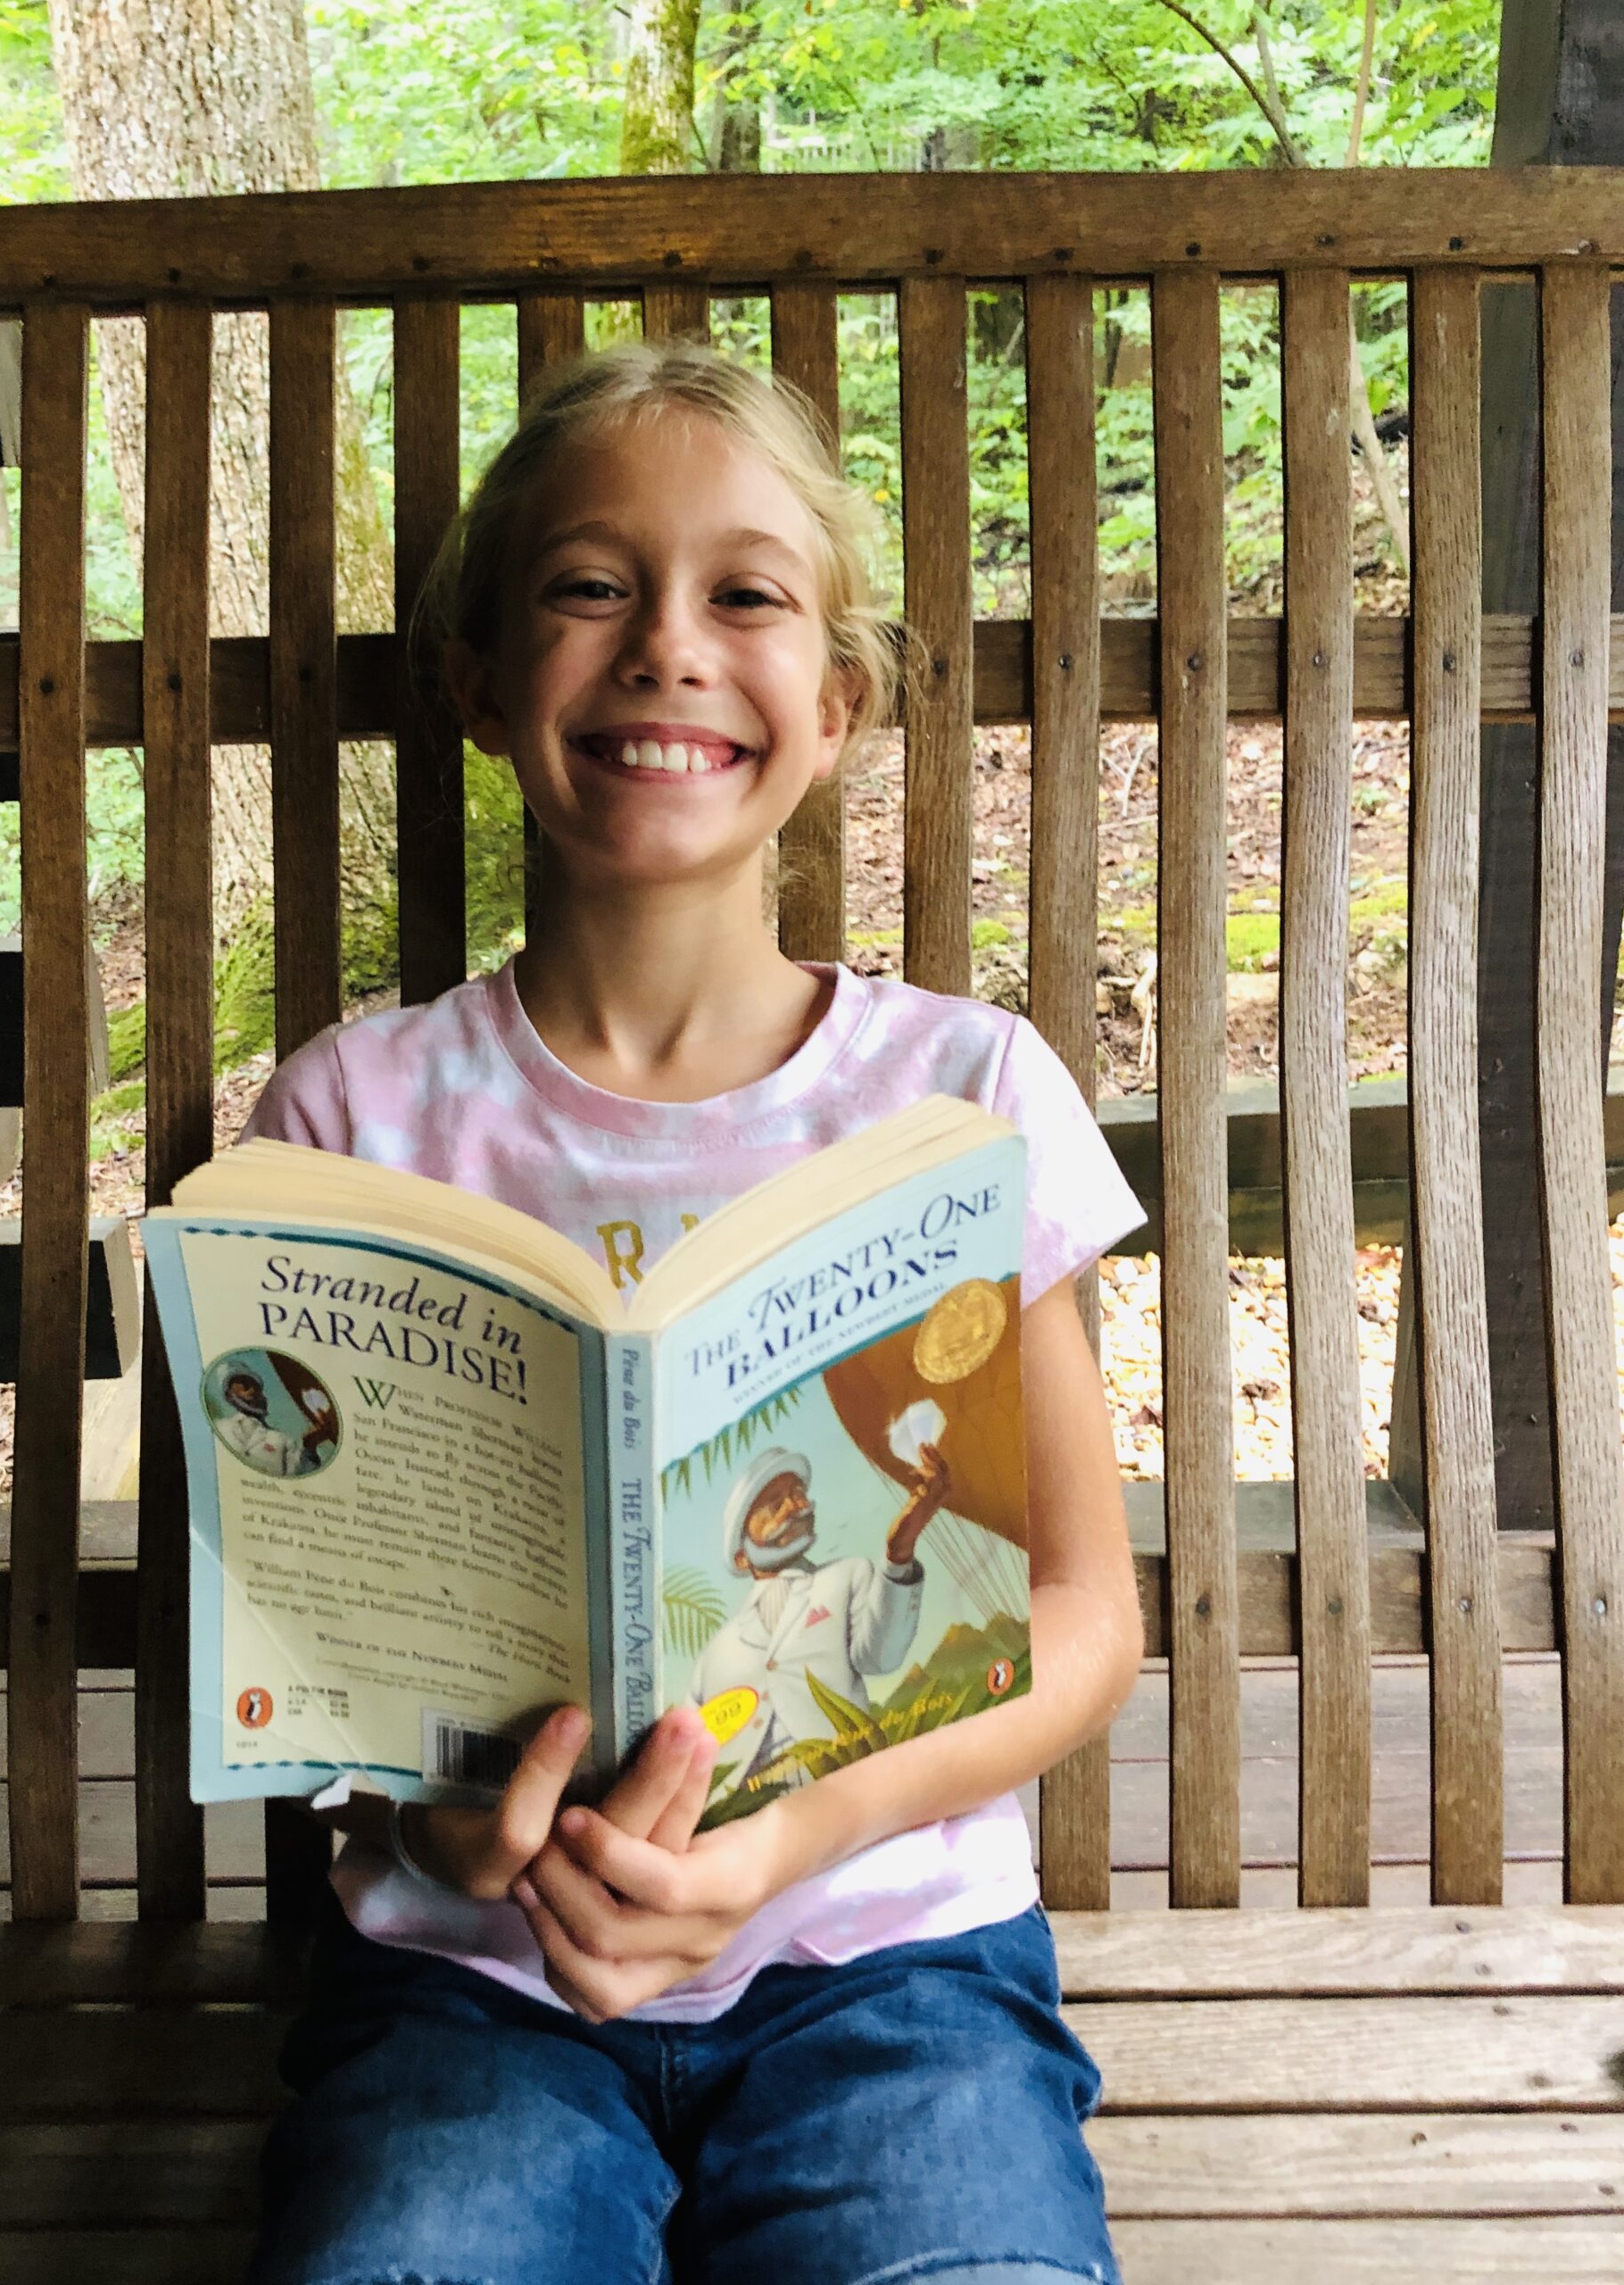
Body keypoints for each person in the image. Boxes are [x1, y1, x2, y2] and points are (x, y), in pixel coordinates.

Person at [241, 337, 1147, 2285]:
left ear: (832, 699)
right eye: (589, 583)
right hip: (472, 1987)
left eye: (744, 591)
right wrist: (445, 1830)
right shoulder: (351, 1115)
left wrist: (783, 1848)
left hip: (890, 1968)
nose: (665, 643)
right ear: (484, 677)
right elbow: (308, 1637)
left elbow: (1081, 1614)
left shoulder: (962, 1095)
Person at [690, 1442, 948, 1791]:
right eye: (774, 1503)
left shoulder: (845, 1577)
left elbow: (882, 1657)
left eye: (798, 1494)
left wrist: (899, 1553)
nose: (797, 1507)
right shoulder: (717, 1652)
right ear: (740, 1557)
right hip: (745, 1814)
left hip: (843, 1787)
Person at [211, 1366, 313, 1478]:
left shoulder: (283, 1440)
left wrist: (310, 1447)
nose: (249, 1388)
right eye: (241, 1383)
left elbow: (297, 1477)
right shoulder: (218, 1427)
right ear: (229, 1395)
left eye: (253, 1384)